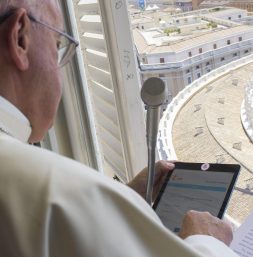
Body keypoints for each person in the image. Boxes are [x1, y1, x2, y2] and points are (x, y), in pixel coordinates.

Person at [0, 0, 239, 256]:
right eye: (58, 47)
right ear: (20, 38)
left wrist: (124, 197)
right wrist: (207, 240)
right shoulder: (56, 193)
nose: (61, 76)